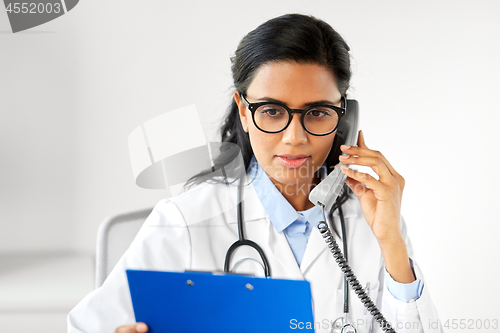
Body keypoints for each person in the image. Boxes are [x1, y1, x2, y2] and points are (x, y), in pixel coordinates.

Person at [68, 14, 442, 333]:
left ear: (343, 117)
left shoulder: (373, 219)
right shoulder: (186, 220)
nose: (295, 138)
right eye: (272, 111)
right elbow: (88, 326)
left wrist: (392, 242)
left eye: (317, 112)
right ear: (244, 112)